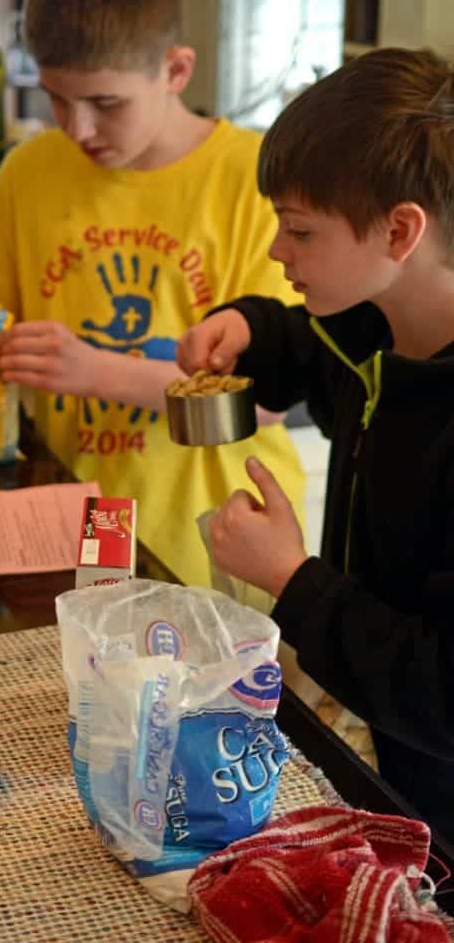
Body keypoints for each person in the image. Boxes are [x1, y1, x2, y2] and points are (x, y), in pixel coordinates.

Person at [0, 0, 304, 594]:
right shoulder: (30, 170)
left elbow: (270, 400)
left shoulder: (256, 178)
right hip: (73, 518)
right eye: (55, 98)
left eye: (105, 103)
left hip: (216, 535)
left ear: (176, 70)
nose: (76, 129)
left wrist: (92, 371)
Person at [176, 46, 454, 842]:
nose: (275, 251)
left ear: (402, 229)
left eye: (299, 229)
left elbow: (440, 696)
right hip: (369, 754)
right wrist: (250, 330)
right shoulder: (376, 327)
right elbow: (310, 344)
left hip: (431, 816)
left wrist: (290, 580)